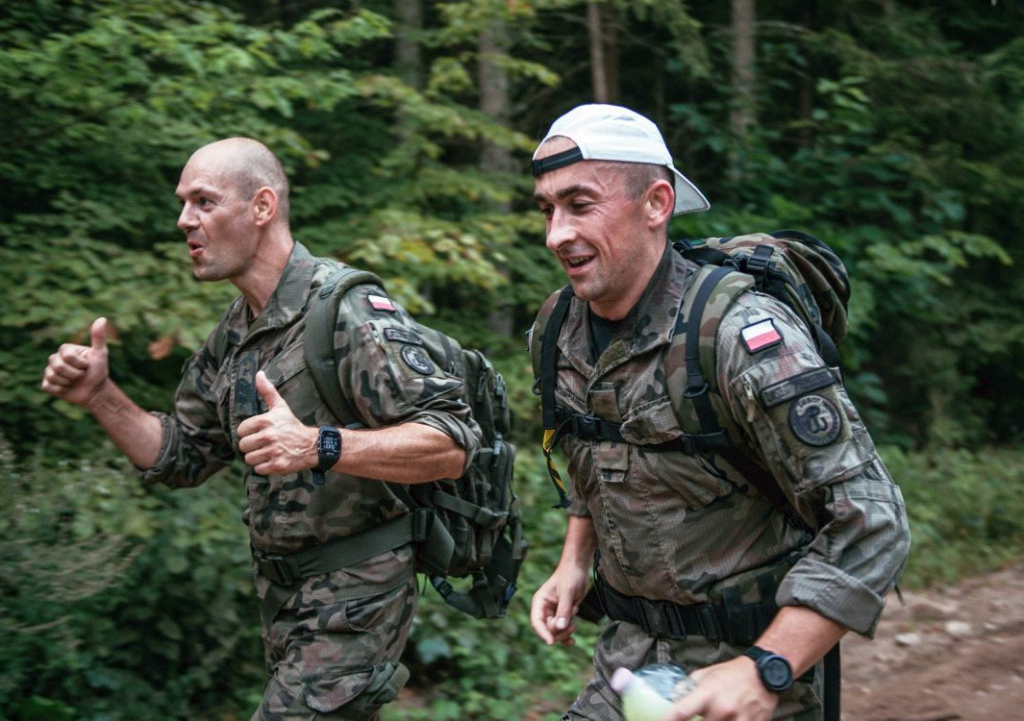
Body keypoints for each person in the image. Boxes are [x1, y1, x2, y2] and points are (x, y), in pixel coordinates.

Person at [41, 137, 480, 721]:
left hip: (355, 596)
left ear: (262, 207)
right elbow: (179, 456)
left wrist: (318, 445)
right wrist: (100, 396)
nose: (184, 221)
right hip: (284, 601)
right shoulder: (237, 333)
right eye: (183, 203)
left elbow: (451, 441)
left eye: (203, 201)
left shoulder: (344, 311)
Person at [527, 104, 910, 721]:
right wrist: (574, 561)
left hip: (753, 674)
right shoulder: (557, 331)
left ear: (656, 204)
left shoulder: (740, 336)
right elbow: (594, 450)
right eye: (547, 209)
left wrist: (768, 667)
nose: (555, 235)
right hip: (629, 666)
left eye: (580, 204)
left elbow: (872, 520)